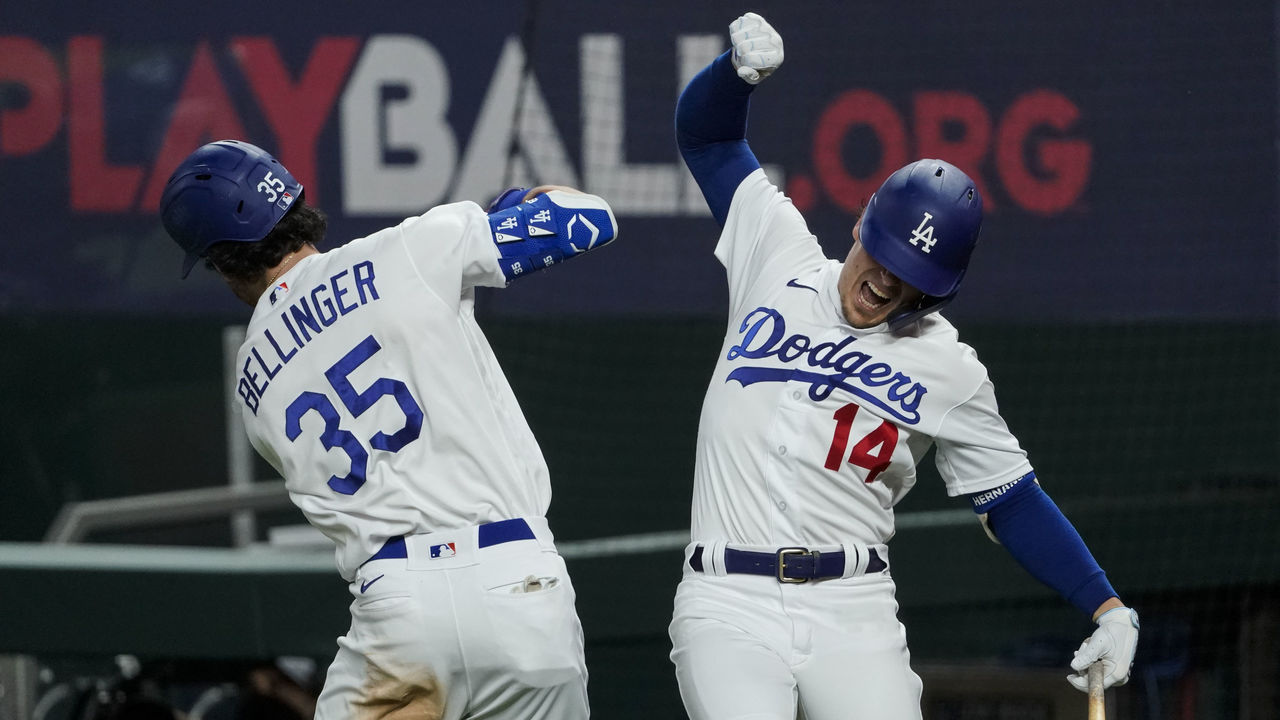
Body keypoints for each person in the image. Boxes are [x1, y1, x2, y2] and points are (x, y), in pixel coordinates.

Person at [667, 13, 1139, 720]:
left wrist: (1106, 605)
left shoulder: (948, 366)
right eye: (883, 254)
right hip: (728, 598)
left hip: (853, 611)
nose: (887, 280)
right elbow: (706, 137)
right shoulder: (779, 253)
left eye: (912, 274)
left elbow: (1010, 499)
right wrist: (729, 78)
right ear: (861, 221)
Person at [159, 139, 619, 720]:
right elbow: (589, 220)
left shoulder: (252, 383)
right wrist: (512, 208)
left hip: (398, 613)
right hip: (520, 589)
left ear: (221, 262)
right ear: (293, 199)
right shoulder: (410, 249)